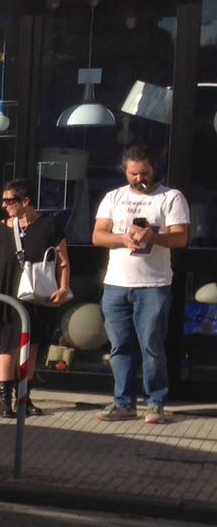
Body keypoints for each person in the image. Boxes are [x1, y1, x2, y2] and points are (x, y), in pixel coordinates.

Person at [91, 146, 190, 424]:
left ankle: (155, 403)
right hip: (116, 284)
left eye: (144, 173)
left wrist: (153, 237)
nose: (139, 179)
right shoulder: (114, 197)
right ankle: (123, 403)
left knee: (151, 346)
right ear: (125, 171)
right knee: (119, 346)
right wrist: (123, 239)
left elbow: (181, 238)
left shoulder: (170, 197)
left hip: (153, 285)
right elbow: (98, 236)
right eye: (133, 174)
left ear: (153, 169)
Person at [0, 179, 70, 418]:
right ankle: (4, 400)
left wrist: (63, 287)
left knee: (32, 345)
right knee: (8, 345)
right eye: (4, 200)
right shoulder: (2, 228)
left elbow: (63, 261)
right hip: (6, 292)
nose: (4, 205)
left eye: (10, 201)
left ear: (26, 201)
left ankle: (24, 398)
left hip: (36, 294)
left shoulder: (49, 225)